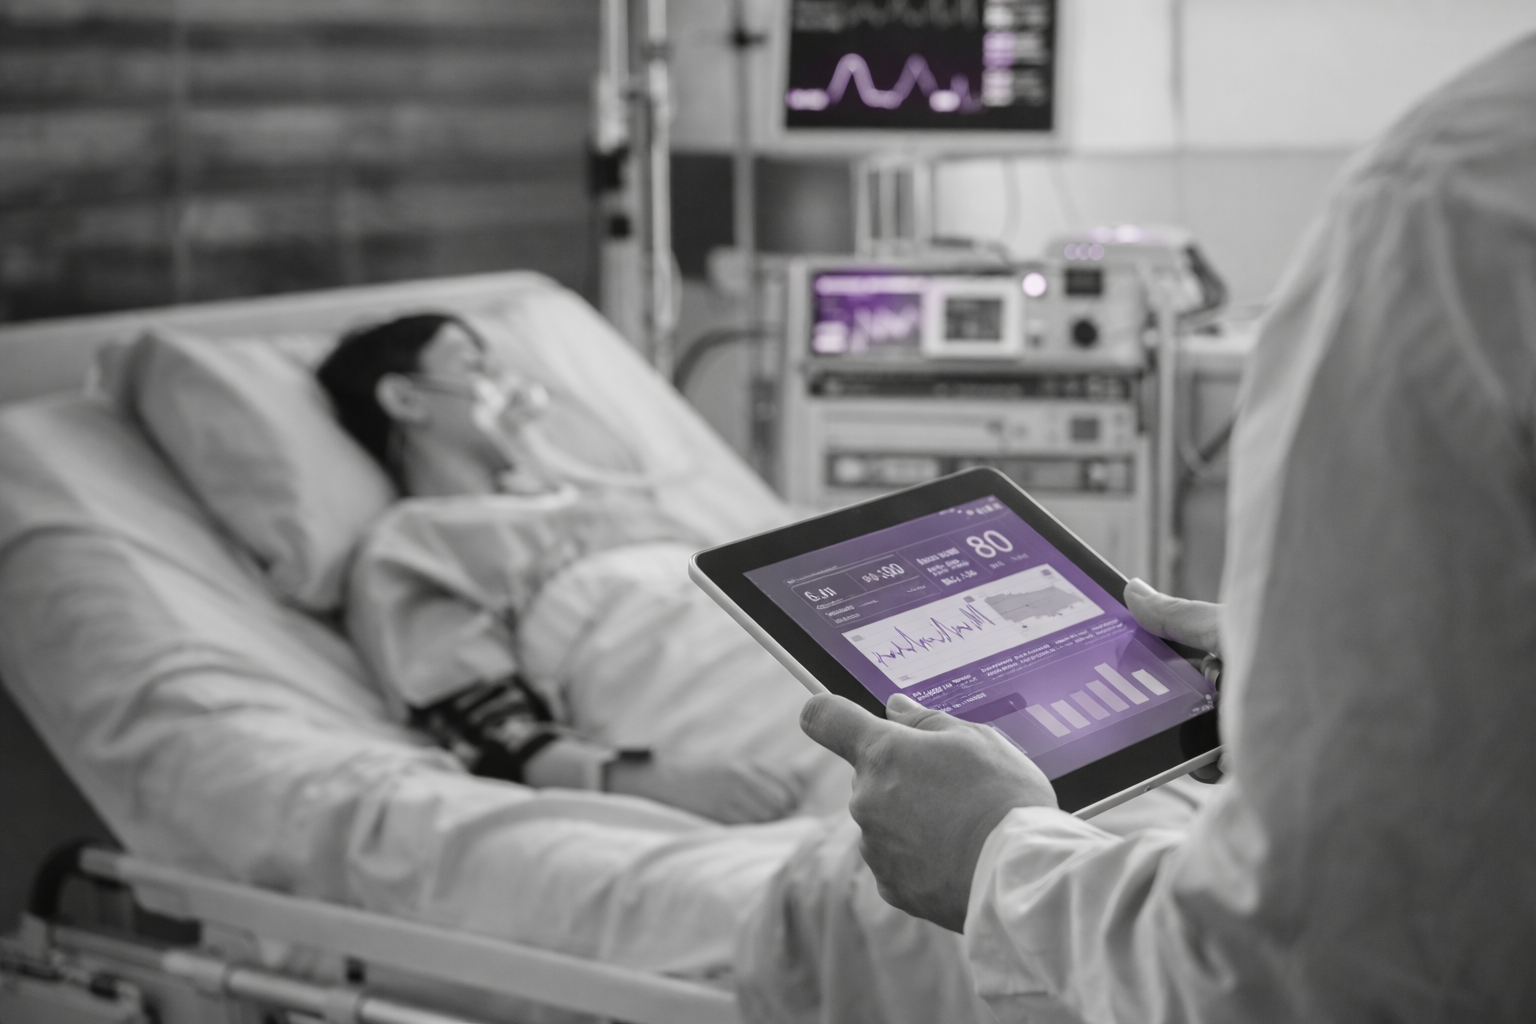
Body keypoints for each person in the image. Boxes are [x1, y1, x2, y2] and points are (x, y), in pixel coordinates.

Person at [800, 34, 1536, 1023]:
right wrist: (1320, 679)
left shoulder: (1450, 208)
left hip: (1014, 843)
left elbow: (1308, 972)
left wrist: (992, 855)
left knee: (833, 884)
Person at [317, 313, 813, 823]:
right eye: (474, 366)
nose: (514, 388)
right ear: (405, 399)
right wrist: (650, 780)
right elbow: (489, 730)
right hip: (686, 676)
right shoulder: (418, 540)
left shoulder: (601, 501)